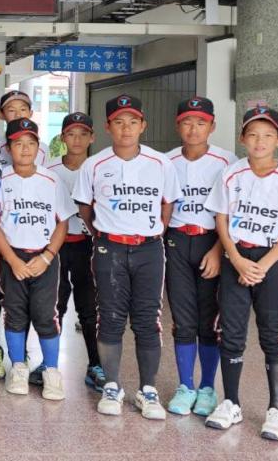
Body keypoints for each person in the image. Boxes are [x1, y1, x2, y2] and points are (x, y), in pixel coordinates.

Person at [203, 107, 278, 442]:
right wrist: (236, 258)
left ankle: (277, 410)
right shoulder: (231, 174)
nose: (259, 141)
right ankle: (231, 402)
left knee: (273, 334)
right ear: (242, 139)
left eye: (267, 135)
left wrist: (263, 265)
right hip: (236, 257)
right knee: (230, 331)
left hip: (272, 261)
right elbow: (221, 218)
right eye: (252, 135)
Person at [73, 95, 180, 420]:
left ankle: (148, 390)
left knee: (148, 320)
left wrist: (155, 231)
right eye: (119, 122)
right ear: (108, 127)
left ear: (143, 125)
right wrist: (103, 233)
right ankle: (112, 386)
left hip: (149, 249)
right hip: (110, 248)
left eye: (133, 122)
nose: (126, 128)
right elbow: (84, 206)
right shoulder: (94, 165)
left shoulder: (161, 163)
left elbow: (167, 202)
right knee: (110, 317)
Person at [0, 118, 75, 399]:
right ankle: (18, 368)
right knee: (14, 314)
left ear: (39, 147)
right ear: (8, 148)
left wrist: (48, 256)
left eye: (31, 143)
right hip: (12, 258)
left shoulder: (51, 180)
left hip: (44, 259)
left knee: (46, 315)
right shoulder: (0, 180)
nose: (25, 149)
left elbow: (62, 221)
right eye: (18, 144)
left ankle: (52, 372)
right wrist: (12, 260)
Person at [163, 97, 236, 417]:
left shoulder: (227, 161)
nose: (194, 129)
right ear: (178, 125)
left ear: (212, 126)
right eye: (187, 122)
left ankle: (207, 387)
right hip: (177, 242)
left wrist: (219, 249)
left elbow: (233, 212)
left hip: (212, 242)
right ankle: (185, 386)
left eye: (201, 123)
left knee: (209, 321)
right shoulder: (165, 162)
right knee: (183, 320)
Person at [0, 90, 48, 380]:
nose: (18, 113)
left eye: (23, 109)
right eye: (11, 110)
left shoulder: (41, 149)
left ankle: (26, 354)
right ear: (1, 115)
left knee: (31, 296)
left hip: (31, 234)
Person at [45, 112, 105, 392]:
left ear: (92, 137)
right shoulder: (50, 170)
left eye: (83, 134)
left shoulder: (99, 167)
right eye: (71, 134)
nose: (77, 140)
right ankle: (49, 365)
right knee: (54, 306)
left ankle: (96, 365)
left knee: (89, 308)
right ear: (62, 138)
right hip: (57, 246)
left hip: (87, 244)